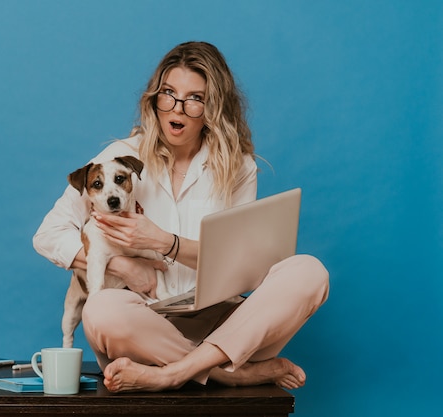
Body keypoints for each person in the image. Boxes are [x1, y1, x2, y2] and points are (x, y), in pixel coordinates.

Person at [33, 41, 329, 393]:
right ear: (154, 99)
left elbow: (245, 267)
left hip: (223, 323)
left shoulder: (239, 169)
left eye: (195, 98)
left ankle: (172, 373)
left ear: (213, 107)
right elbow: (48, 234)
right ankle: (232, 372)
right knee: (100, 310)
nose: (178, 107)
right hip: (144, 326)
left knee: (309, 272)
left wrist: (163, 243)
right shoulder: (121, 160)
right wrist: (121, 267)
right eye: (169, 94)